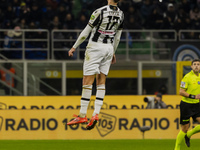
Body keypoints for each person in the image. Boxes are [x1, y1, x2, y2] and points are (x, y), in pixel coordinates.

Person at [67, 0, 124, 130]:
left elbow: (85, 32)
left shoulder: (100, 11)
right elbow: (118, 37)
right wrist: (113, 52)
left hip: (95, 48)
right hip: (109, 48)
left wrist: (74, 47)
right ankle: (96, 114)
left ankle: (82, 114)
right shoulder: (121, 14)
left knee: (87, 81)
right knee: (101, 81)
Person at [174, 59, 200, 150]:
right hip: (186, 105)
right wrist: (193, 96)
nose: (196, 66)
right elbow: (181, 91)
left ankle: (189, 134)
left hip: (197, 105)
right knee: (185, 128)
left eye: (198, 64)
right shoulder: (187, 77)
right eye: (195, 64)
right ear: (191, 67)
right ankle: (177, 148)